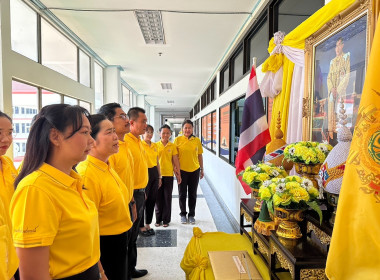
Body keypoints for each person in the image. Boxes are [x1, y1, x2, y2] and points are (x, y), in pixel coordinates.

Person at [10, 104, 101, 280]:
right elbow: (33, 276)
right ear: (55, 136)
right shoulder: (35, 189)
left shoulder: (72, 180)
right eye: (84, 132)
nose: (92, 141)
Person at [77, 114, 133, 280]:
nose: (116, 136)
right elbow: (86, 229)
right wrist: (100, 271)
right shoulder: (87, 173)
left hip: (119, 241)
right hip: (104, 247)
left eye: (114, 131)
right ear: (91, 139)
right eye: (109, 132)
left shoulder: (106, 165)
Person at [98, 103, 136, 223]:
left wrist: (132, 201)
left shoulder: (124, 146)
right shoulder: (109, 153)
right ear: (109, 121)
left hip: (127, 204)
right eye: (122, 117)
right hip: (116, 213)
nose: (128, 120)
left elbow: (126, 178)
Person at [124, 107, 149, 278]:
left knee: (133, 235)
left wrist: (143, 191)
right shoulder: (124, 142)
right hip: (130, 195)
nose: (146, 125)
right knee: (128, 235)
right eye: (143, 122)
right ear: (131, 123)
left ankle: (131, 268)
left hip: (140, 192)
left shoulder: (138, 141)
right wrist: (132, 198)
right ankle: (125, 271)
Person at [174, 120, 204, 224]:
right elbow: (175, 157)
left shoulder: (197, 140)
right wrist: (176, 171)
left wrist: (202, 169)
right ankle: (183, 214)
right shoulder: (177, 140)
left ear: (192, 129)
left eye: (189, 128)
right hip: (182, 171)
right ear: (182, 129)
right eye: (185, 128)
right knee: (182, 193)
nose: (187, 130)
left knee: (193, 194)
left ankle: (191, 215)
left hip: (194, 170)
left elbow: (200, 155)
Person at [0, 111, 19, 280]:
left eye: (10, 133)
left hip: (14, 254)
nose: (6, 139)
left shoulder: (7, 164)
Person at [155, 124, 181, 227]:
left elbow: (175, 161)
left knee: (167, 198)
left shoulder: (172, 146)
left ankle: (166, 220)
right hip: (158, 175)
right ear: (159, 133)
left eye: (167, 133)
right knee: (158, 199)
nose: (165, 135)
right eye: (163, 133)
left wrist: (178, 174)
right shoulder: (155, 146)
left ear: (170, 134)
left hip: (169, 175)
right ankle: (158, 219)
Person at [326, 37, 350, 142]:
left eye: (339, 45)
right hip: (333, 91)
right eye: (336, 45)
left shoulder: (346, 57)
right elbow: (329, 77)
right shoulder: (332, 61)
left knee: (341, 109)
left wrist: (338, 90)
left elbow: (347, 75)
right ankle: (332, 135)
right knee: (331, 106)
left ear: (342, 45)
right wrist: (332, 89)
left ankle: (342, 136)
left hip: (341, 91)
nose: (337, 48)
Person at [140, 125, 161, 236]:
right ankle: (141, 226)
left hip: (154, 173)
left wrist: (160, 176)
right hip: (144, 173)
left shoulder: (154, 145)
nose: (149, 134)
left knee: (152, 200)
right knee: (143, 200)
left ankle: (148, 223)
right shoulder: (140, 145)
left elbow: (157, 162)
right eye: (147, 131)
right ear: (143, 133)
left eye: (151, 132)